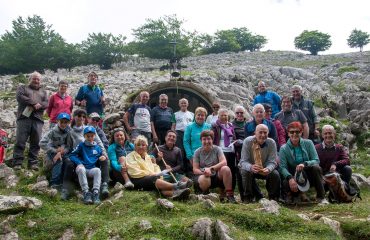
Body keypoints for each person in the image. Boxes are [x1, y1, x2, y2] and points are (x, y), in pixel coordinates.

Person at [61, 109, 109, 200]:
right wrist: (61, 152)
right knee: (69, 163)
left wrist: (104, 154)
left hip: (91, 155)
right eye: (79, 116)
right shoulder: (70, 131)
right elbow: (68, 146)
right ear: (74, 117)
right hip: (77, 155)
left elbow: (99, 143)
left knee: (104, 159)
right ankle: (66, 189)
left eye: (83, 116)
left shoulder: (89, 129)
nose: (81, 118)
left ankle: (104, 185)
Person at [126, 135, 191, 200]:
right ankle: (177, 186)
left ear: (146, 147)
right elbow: (134, 171)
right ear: (135, 146)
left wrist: (158, 174)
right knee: (154, 179)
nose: (141, 147)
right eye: (138, 145)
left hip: (151, 177)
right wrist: (151, 174)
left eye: (143, 145)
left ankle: (178, 194)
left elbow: (155, 166)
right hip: (137, 180)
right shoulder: (130, 156)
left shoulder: (148, 157)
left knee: (160, 184)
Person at [279, 122, 328, 205]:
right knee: (285, 182)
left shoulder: (308, 143)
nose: (294, 134)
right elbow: (282, 167)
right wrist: (290, 178)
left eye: (297, 132)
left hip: (308, 174)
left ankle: (321, 197)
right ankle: (293, 195)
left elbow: (316, 160)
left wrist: (305, 164)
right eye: (292, 132)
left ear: (301, 132)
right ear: (288, 133)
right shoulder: (283, 148)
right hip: (293, 176)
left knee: (316, 168)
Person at [11, 71, 48, 170]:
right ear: (30, 79)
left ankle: (33, 163)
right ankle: (17, 163)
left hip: (38, 119)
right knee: (20, 140)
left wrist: (40, 105)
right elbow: (20, 97)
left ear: (40, 81)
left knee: (36, 142)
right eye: (34, 78)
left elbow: (46, 103)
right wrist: (33, 103)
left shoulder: (43, 92)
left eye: (38, 79)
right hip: (24, 118)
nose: (36, 81)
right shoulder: (22, 88)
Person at [239, 124, 280, 202]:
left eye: (265, 133)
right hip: (251, 167)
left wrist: (268, 169)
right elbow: (243, 161)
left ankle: (273, 197)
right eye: (260, 132)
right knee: (244, 171)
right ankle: (248, 197)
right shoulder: (248, 141)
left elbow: (273, 162)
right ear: (255, 133)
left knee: (275, 174)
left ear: (268, 133)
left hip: (265, 168)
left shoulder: (272, 143)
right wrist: (251, 167)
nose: (263, 135)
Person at [193, 130, 237, 203]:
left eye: (209, 139)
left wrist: (211, 169)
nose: (207, 141)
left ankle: (229, 195)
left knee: (226, 169)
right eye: (204, 139)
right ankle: (206, 196)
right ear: (201, 140)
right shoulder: (197, 152)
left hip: (216, 175)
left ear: (212, 139)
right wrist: (204, 171)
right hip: (203, 175)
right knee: (204, 179)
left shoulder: (217, 149)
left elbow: (224, 162)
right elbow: (195, 169)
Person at [69, 126, 105, 204]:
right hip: (82, 168)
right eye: (87, 136)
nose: (90, 138)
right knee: (81, 169)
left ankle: (96, 192)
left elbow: (100, 156)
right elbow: (72, 155)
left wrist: (102, 157)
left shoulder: (97, 147)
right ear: (84, 136)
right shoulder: (81, 145)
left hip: (91, 169)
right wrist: (79, 163)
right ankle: (86, 192)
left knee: (97, 170)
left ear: (94, 136)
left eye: (91, 136)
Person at [39, 112, 73, 189]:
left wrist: (63, 151)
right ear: (57, 121)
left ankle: (64, 182)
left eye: (66, 122)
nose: (63, 124)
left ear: (68, 122)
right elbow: (41, 143)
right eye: (61, 122)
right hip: (52, 151)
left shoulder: (69, 131)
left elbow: (68, 146)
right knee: (58, 161)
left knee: (68, 162)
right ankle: (54, 183)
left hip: (63, 151)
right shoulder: (52, 131)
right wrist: (55, 151)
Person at [212, 109, 237, 190]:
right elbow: (213, 139)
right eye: (222, 115)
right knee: (223, 171)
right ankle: (222, 191)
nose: (224, 117)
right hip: (221, 151)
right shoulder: (215, 126)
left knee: (232, 171)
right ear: (218, 116)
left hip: (231, 151)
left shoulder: (231, 126)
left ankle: (231, 190)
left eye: (225, 115)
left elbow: (234, 138)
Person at [183, 107, 212, 172]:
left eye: (202, 115)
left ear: (205, 117)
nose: (200, 117)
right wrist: (190, 156)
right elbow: (186, 142)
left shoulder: (209, 126)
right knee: (198, 175)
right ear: (195, 116)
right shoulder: (189, 126)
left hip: (207, 156)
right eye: (198, 115)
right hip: (194, 156)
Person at [232, 105, 247, 201]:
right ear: (235, 114)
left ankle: (249, 193)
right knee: (238, 173)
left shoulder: (248, 124)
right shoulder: (231, 125)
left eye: (241, 112)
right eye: (237, 113)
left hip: (248, 149)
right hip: (237, 151)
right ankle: (242, 195)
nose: (239, 114)